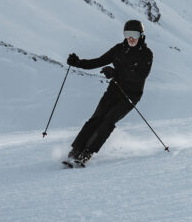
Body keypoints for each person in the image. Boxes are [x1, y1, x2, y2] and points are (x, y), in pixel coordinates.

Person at [64, 20, 153, 165]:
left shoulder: (147, 54)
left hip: (131, 95)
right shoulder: (119, 49)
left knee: (108, 120)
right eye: (127, 34)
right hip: (114, 90)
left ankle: (88, 152)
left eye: (134, 34)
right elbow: (98, 61)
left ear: (141, 36)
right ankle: (76, 150)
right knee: (96, 118)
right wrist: (78, 63)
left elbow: (139, 76)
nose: (131, 38)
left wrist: (115, 73)